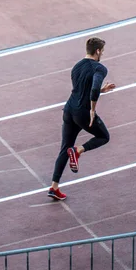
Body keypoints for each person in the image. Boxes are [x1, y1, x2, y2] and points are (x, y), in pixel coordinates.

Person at [48, 37, 116, 200]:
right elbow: (92, 90)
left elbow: (81, 90)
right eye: (102, 52)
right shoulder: (99, 68)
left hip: (69, 109)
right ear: (98, 51)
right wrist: (92, 109)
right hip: (82, 112)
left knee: (64, 148)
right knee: (104, 136)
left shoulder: (76, 67)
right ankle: (78, 150)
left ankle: (54, 187)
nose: (102, 55)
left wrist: (101, 91)